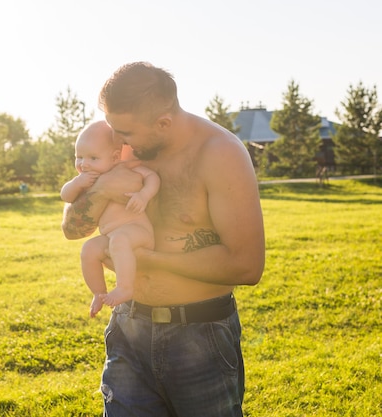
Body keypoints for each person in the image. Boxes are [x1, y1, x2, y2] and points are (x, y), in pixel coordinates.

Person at [61, 62, 265, 416]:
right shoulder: (121, 147)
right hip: (128, 327)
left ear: (164, 123)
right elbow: (73, 229)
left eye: (125, 133)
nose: (118, 142)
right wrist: (102, 188)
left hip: (198, 337)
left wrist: (148, 258)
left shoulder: (220, 153)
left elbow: (247, 265)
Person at [61, 120, 160, 318]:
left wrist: (144, 195)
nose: (84, 164)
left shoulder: (126, 168)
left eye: (93, 158)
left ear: (115, 157)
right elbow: (66, 196)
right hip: (113, 235)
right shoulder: (88, 180)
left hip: (137, 231)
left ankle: (125, 288)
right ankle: (98, 292)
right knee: (89, 249)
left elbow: (152, 177)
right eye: (79, 157)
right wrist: (78, 183)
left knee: (120, 240)